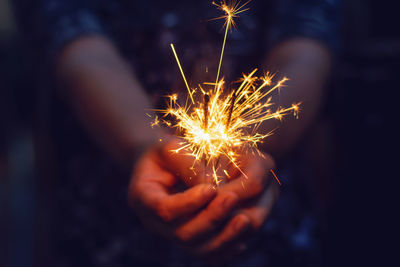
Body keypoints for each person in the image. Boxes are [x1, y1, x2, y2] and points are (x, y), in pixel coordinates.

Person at [13, 0, 340, 265]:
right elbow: (72, 41)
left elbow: (306, 48)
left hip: (273, 233)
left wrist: (247, 150)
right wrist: (145, 144)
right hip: (101, 230)